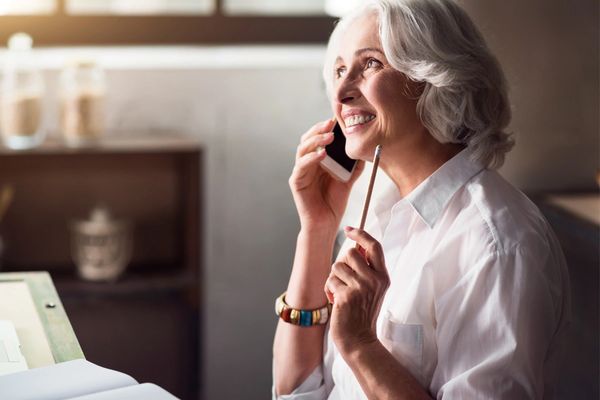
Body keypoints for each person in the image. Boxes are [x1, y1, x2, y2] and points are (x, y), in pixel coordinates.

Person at [272, 0, 570, 398]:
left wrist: (361, 345)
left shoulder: (497, 243)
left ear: (433, 75)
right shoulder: (377, 215)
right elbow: (296, 391)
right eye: (340, 71)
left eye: (371, 64)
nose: (341, 91)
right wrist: (317, 229)